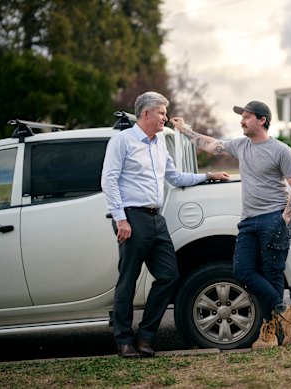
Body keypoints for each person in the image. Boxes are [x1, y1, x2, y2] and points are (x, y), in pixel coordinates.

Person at [101, 91, 230, 358]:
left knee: (169, 275)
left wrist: (209, 175)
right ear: (145, 113)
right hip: (132, 218)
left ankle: (146, 337)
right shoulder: (122, 141)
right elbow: (109, 181)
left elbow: (174, 176)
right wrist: (120, 219)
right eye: (161, 112)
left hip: (156, 219)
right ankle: (124, 340)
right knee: (128, 281)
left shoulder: (160, 142)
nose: (165, 117)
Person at [170, 100, 291, 349]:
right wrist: (184, 130)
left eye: (247, 117)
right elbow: (211, 145)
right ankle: (285, 310)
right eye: (242, 117)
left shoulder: (281, 151)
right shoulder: (240, 145)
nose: (241, 121)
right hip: (248, 221)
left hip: (273, 218)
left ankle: (269, 334)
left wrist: (284, 219)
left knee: (271, 275)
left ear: (262, 120)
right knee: (242, 272)